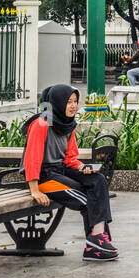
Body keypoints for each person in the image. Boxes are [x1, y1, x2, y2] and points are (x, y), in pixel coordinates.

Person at [23, 85, 117, 262]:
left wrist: (82, 168)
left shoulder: (68, 124)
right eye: (68, 102)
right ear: (57, 103)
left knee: (97, 180)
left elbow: (70, 158)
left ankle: (98, 238)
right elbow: (32, 158)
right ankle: (95, 246)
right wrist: (34, 190)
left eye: (75, 102)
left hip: (60, 170)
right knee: (86, 199)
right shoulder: (41, 124)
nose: (73, 106)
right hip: (43, 177)